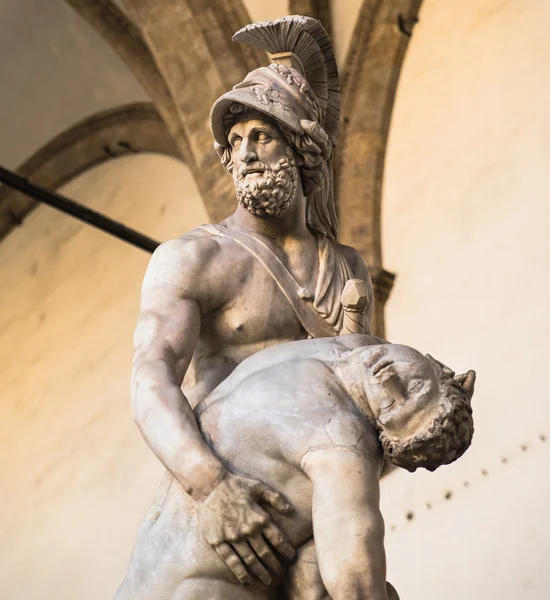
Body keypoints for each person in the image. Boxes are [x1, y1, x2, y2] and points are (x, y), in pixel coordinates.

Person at [128, 15, 374, 584]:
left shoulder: (345, 268)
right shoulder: (196, 257)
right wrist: (210, 486)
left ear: (302, 147)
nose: (244, 154)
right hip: (221, 502)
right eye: (234, 142)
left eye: (261, 135)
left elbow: (363, 414)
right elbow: (150, 377)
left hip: (313, 512)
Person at [116, 334, 475, 599]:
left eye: (392, 409)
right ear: (439, 367)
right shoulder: (343, 347)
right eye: (415, 385)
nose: (388, 382)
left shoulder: (342, 446)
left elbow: (355, 580)